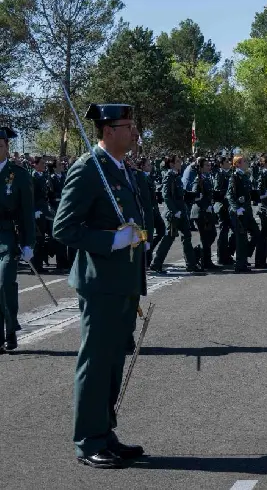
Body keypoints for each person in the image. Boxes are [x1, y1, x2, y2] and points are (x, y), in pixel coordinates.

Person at [52, 104, 148, 468]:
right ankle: (88, 440)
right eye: (128, 126)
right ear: (108, 130)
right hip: (101, 282)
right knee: (95, 363)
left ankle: (105, 434)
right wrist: (110, 242)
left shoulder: (120, 169)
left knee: (111, 363)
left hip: (123, 281)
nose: (135, 132)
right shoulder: (89, 169)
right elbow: (64, 228)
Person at [0, 127, 34, 353]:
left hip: (8, 237)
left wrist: (28, 242)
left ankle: (10, 330)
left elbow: (26, 212)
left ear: (6, 148)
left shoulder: (18, 175)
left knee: (4, 284)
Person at [150, 155, 203, 274]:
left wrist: (194, 195)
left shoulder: (176, 176)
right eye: (178, 161)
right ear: (172, 164)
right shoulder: (169, 176)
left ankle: (191, 264)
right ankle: (156, 264)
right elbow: (166, 196)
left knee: (187, 237)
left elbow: (181, 194)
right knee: (168, 238)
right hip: (173, 214)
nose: (181, 163)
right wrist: (174, 211)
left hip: (182, 212)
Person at [227, 155, 259, 273]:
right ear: (238, 164)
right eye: (244, 161)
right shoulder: (234, 177)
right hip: (239, 212)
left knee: (256, 233)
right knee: (241, 239)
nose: (246, 163)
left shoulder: (245, 176)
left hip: (247, 211)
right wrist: (236, 208)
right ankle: (240, 265)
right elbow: (230, 195)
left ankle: (244, 256)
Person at [189, 157, 219, 270]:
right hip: (200, 212)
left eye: (209, 165)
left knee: (211, 235)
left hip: (207, 212)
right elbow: (195, 196)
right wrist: (204, 205)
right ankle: (205, 260)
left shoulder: (206, 178)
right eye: (206, 165)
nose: (209, 166)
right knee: (206, 237)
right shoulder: (198, 179)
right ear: (201, 167)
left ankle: (198, 255)